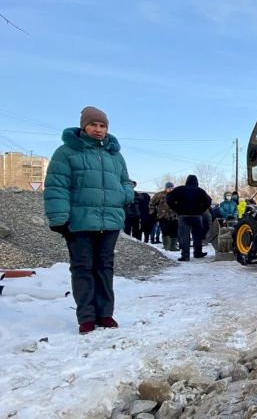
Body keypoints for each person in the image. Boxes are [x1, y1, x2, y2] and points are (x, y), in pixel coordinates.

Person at [44, 106, 134, 335]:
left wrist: (126, 195)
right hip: (79, 222)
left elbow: (125, 181)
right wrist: (59, 218)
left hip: (110, 221)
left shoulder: (115, 155)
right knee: (83, 268)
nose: (98, 129)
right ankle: (86, 317)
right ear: (84, 126)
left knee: (105, 267)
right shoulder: (66, 152)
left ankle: (105, 314)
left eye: (102, 125)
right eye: (93, 124)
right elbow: (57, 186)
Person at [166, 175, 212, 261]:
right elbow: (208, 201)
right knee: (197, 235)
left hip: (183, 216)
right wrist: (201, 210)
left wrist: (176, 209)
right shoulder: (200, 190)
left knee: (184, 236)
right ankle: (198, 253)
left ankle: (185, 255)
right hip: (197, 216)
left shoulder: (180, 189)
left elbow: (169, 199)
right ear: (196, 181)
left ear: (187, 181)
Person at [149, 182, 179, 251]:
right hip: (163, 216)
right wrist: (152, 212)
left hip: (174, 216)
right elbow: (151, 203)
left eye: (172, 188)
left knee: (174, 232)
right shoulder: (159, 194)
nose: (170, 189)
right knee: (165, 231)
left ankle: (173, 246)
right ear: (166, 188)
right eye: (169, 188)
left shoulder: (176, 195)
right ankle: (166, 246)